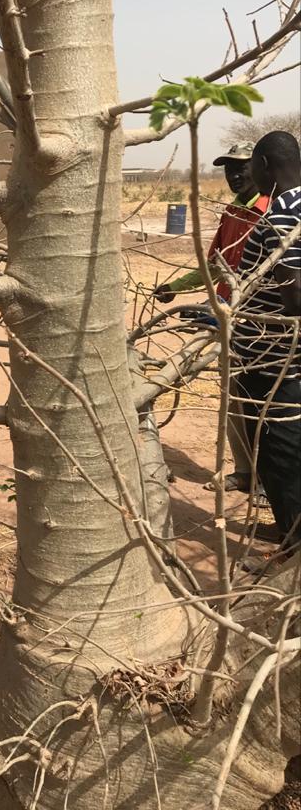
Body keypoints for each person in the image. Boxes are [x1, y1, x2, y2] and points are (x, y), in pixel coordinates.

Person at [154, 142, 271, 498]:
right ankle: (245, 472)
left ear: (260, 169)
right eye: (228, 169)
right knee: (234, 397)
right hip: (227, 314)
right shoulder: (232, 211)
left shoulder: (270, 212)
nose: (234, 175)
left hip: (261, 320)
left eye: (242, 168)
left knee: (263, 403)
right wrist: (178, 286)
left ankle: (270, 479)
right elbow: (216, 265)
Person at [231, 130, 301, 557]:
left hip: (274, 361)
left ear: (262, 165)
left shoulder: (281, 218)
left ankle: (291, 551)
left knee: (279, 450)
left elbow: (294, 296)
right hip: (282, 357)